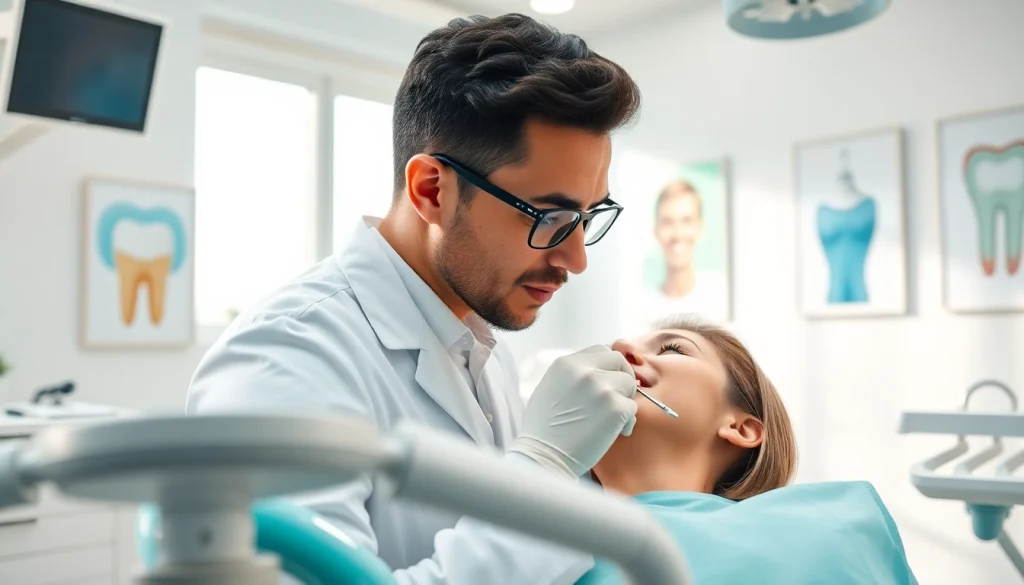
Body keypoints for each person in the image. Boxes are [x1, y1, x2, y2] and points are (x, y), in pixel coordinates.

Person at [186, 13, 643, 585]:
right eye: (549, 217)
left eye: (587, 216)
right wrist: (543, 478)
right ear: (432, 189)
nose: (576, 258)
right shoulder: (286, 358)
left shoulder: (479, 343)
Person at [577, 315, 918, 585]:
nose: (619, 347)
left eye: (672, 349)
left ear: (741, 428)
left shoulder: (831, 529)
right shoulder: (542, 541)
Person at [642, 180, 729, 325]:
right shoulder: (643, 307)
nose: (677, 234)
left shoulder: (721, 295)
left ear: (700, 228)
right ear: (656, 232)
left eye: (686, 221)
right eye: (668, 222)